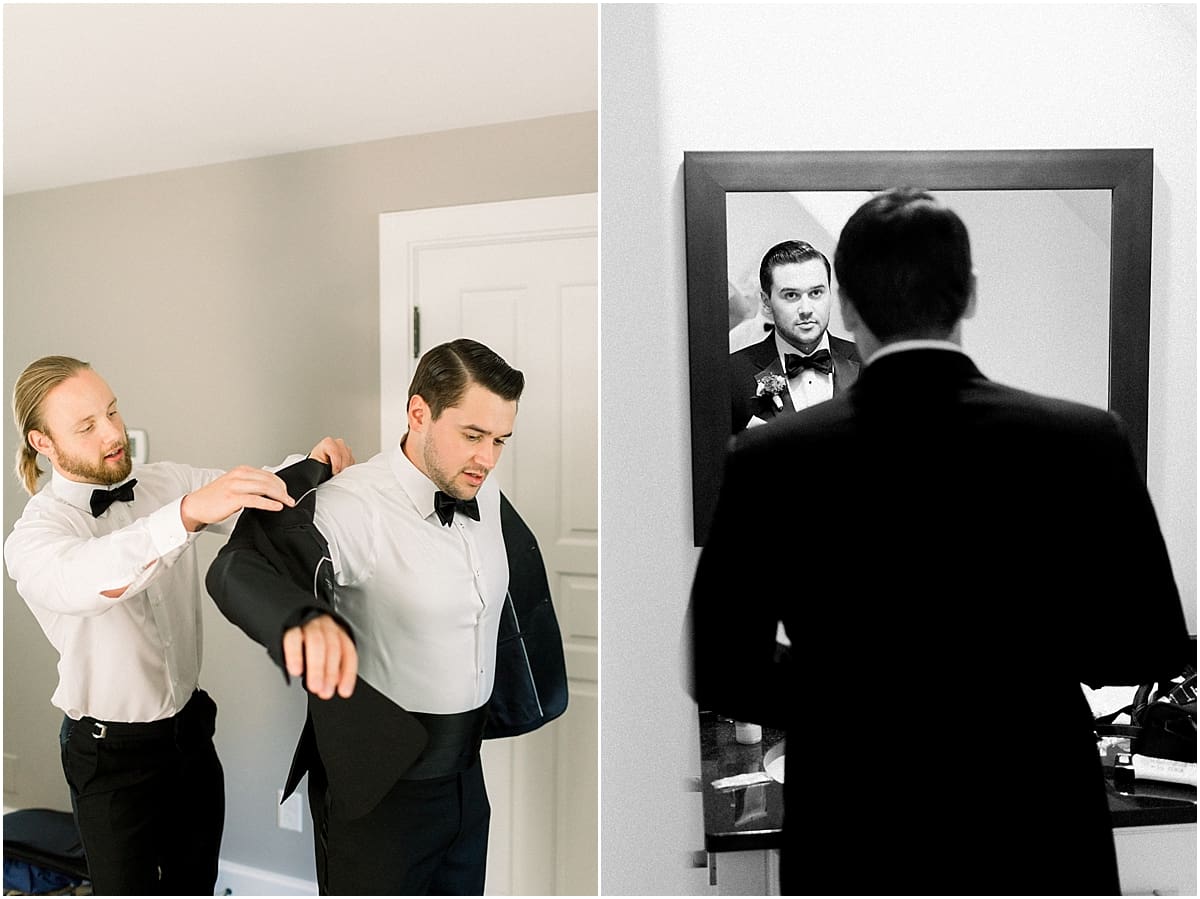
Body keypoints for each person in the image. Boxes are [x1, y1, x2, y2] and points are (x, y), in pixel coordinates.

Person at [691, 189, 1191, 895]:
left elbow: (718, 661)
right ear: (972, 295)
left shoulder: (772, 459)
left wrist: (850, 690)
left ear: (850, 304)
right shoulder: (1082, 440)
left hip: (856, 818)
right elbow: (1153, 641)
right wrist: (1028, 658)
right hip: (1037, 813)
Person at [206, 338, 567, 895]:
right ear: (418, 412)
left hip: (467, 783)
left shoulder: (484, 492)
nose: (488, 459)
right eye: (472, 436)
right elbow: (238, 570)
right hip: (381, 792)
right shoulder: (351, 506)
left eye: (500, 440)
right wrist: (304, 620)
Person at [3, 355, 353, 895]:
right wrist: (187, 514)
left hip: (190, 736)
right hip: (108, 757)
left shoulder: (163, 482)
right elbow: (94, 580)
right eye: (88, 426)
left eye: (113, 412)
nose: (114, 433)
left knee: (195, 885)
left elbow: (252, 496)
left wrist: (311, 464)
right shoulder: (34, 537)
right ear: (43, 443)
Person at [730, 240, 861, 432]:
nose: (806, 310)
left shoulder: (870, 364)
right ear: (766, 302)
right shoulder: (732, 376)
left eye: (816, 293)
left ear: (831, 295)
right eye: (791, 295)